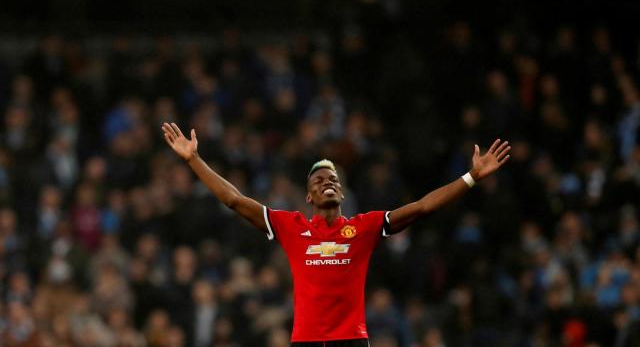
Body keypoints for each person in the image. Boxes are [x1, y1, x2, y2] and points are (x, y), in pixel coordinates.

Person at [161, 122, 510, 347]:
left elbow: (422, 208)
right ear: (309, 196)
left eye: (333, 179)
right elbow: (234, 199)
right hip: (307, 342)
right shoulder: (291, 226)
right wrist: (193, 160)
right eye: (318, 179)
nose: (328, 181)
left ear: (341, 193)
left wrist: (471, 177)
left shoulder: (364, 228)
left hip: (352, 341)